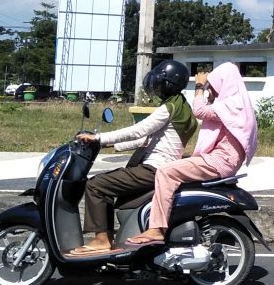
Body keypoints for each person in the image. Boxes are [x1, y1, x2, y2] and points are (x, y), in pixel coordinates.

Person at [69, 60, 198, 255]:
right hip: (160, 167)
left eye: (160, 82)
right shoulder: (181, 106)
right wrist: (108, 144)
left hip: (153, 169)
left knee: (96, 185)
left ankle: (102, 239)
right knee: (120, 198)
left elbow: (139, 131)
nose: (155, 86)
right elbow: (147, 139)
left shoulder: (169, 108)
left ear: (168, 84)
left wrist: (99, 137)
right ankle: (117, 242)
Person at [124, 61, 257, 247]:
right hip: (222, 161)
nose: (213, 90)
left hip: (218, 162)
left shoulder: (232, 104)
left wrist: (200, 87)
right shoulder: (239, 104)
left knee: (165, 171)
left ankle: (156, 229)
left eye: (215, 86)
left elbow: (199, 111)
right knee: (178, 164)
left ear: (225, 83)